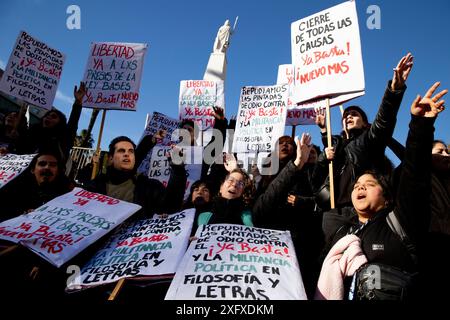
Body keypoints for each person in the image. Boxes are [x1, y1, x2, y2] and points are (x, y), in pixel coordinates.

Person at [317, 82, 447, 300]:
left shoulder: (398, 222)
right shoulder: (341, 233)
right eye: (357, 185)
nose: (359, 187)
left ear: (387, 197)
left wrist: (420, 125)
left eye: (368, 185)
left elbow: (413, 175)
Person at [316, 53, 413, 208]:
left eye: (354, 114)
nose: (348, 116)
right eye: (346, 115)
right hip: (333, 212)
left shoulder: (368, 140)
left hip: (361, 208)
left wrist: (394, 91)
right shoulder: (336, 144)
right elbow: (317, 175)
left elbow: (383, 123)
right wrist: (323, 157)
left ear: (365, 124)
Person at [253, 134, 325, 298]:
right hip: (270, 254)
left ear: (297, 149)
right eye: (281, 143)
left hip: (303, 254)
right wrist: (295, 165)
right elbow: (259, 213)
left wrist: (303, 202)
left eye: (289, 143)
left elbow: (322, 204)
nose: (285, 145)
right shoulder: (264, 176)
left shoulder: (309, 172)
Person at [0, 149, 74, 221]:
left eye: (52, 165)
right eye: (42, 164)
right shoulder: (16, 191)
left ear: (57, 172)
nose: (47, 167)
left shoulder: (66, 193)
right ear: (32, 170)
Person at [24, 82, 86, 163]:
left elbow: (73, 123)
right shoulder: (31, 134)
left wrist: (78, 102)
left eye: (53, 116)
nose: (48, 117)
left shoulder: (63, 140)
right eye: (47, 115)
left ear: (60, 123)